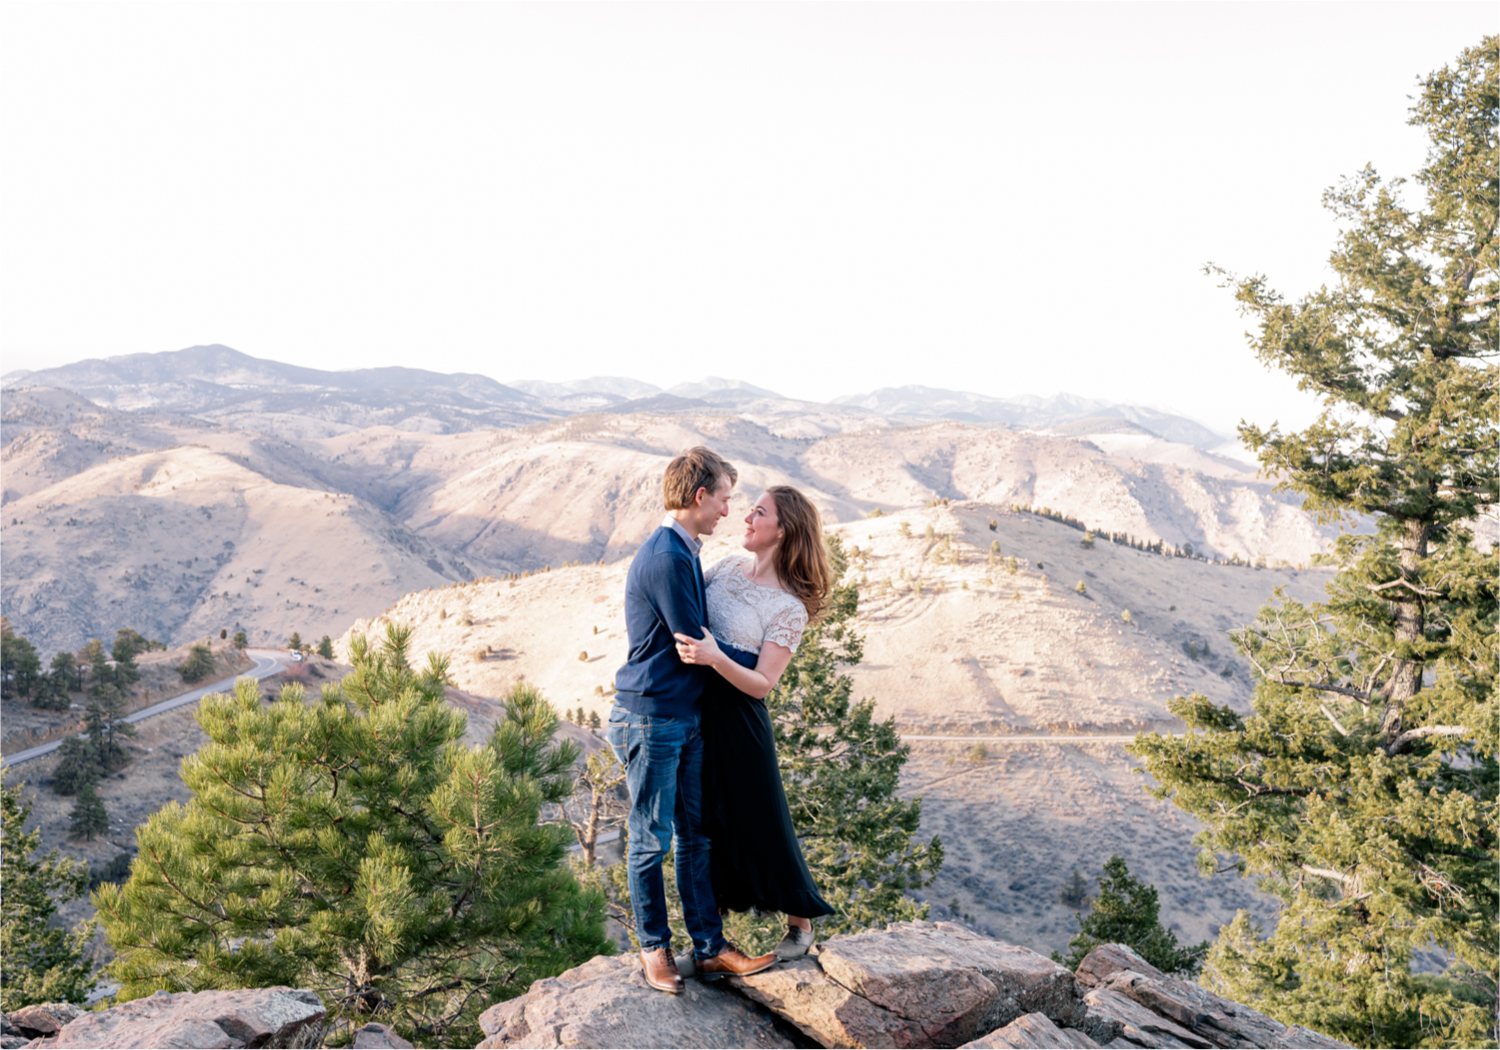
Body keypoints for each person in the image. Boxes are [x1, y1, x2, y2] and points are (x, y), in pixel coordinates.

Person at [604, 447, 778, 995]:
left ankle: (709, 949)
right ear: (700, 496)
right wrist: (765, 661)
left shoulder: (684, 551)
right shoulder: (667, 557)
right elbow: (692, 644)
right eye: (725, 498)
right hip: (652, 716)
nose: (729, 511)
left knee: (695, 837)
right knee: (650, 839)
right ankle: (655, 950)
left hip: (684, 717)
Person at [673, 484, 836, 964]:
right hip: (697, 715)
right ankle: (709, 942)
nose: (745, 518)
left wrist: (714, 656)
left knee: (762, 824)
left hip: (741, 725)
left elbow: (763, 682)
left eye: (758, 512)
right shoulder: (724, 567)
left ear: (782, 530)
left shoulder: (788, 607)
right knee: (705, 828)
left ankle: (800, 923)